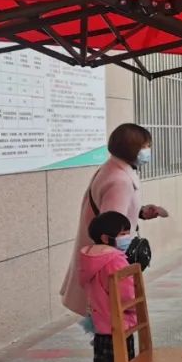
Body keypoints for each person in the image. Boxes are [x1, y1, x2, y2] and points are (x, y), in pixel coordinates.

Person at [60, 123, 168, 317]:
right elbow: (111, 227)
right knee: (111, 325)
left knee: (104, 322)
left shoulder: (112, 169)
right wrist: (119, 262)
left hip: (102, 260)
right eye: (145, 146)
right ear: (132, 149)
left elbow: (113, 214)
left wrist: (141, 212)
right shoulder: (120, 179)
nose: (148, 150)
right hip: (109, 265)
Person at [79, 211, 139, 362]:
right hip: (120, 324)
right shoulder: (115, 260)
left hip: (101, 324)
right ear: (106, 238)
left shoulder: (90, 258)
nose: (128, 237)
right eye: (123, 233)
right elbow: (127, 294)